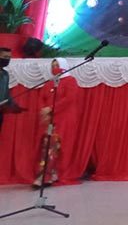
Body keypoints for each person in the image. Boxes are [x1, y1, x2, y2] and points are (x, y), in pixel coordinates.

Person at [33, 58, 80, 187]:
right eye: (53, 66)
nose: (55, 68)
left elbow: (69, 99)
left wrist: (51, 108)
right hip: (50, 118)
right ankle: (47, 175)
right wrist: (43, 110)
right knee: (47, 146)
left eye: (57, 65)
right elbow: (42, 97)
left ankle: (50, 174)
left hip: (65, 118)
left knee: (57, 146)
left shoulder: (70, 81)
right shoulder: (50, 83)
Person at [0, 47, 14, 130]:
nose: (7, 60)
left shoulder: (5, 74)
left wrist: (10, 102)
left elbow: (6, 91)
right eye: (5, 57)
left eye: (9, 58)